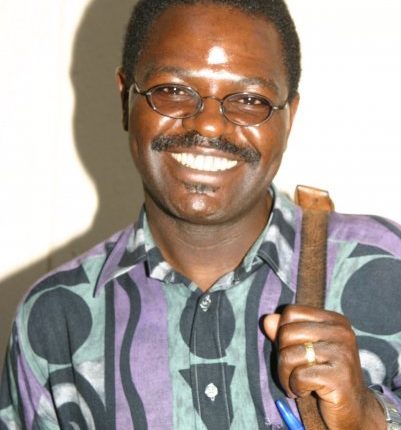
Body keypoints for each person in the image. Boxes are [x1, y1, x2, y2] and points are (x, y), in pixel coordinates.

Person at [1, 0, 401, 429]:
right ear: (124, 99)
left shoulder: (385, 268)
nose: (209, 125)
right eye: (173, 91)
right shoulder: (55, 316)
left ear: (290, 118)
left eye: (250, 99)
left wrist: (372, 419)